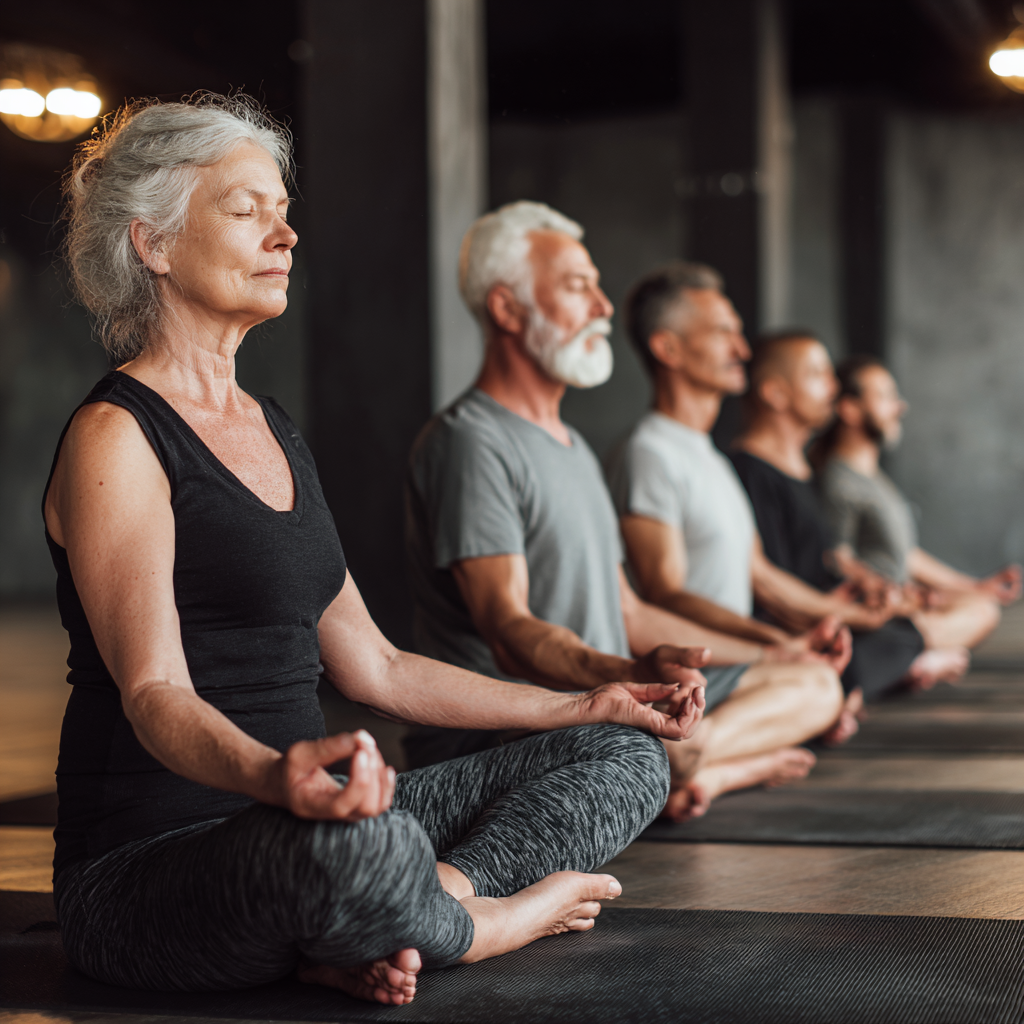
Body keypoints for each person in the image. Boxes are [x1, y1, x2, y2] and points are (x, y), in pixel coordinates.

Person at [45, 94, 709, 1007]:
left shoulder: (271, 428)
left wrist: (579, 703)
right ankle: (482, 925)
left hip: (315, 823)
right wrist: (277, 777)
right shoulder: (117, 437)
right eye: (245, 212)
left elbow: (380, 667)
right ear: (152, 244)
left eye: (283, 212)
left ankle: (404, 912)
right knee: (363, 844)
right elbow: (155, 692)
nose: (282, 235)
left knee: (621, 756)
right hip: (153, 866)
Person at [405, 203, 847, 822]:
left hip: (606, 698)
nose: (604, 307)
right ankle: (696, 767)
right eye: (578, 287)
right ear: (506, 309)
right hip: (509, 733)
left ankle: (697, 763)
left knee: (813, 684)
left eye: (598, 287)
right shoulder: (470, 441)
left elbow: (630, 609)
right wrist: (626, 678)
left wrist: (772, 653)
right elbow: (508, 630)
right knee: (653, 745)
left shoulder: (574, 446)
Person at [607, 264, 923, 736]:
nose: (742, 349)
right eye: (722, 334)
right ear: (666, 348)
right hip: (694, 673)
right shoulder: (649, 452)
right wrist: (773, 643)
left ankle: (720, 764)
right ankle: (688, 758)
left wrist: (832, 622)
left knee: (836, 674)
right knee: (821, 687)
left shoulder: (708, 454)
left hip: (742, 656)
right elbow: (664, 594)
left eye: (738, 333)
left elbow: (761, 574)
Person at [731, 331, 973, 693]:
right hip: (802, 632)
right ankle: (888, 670)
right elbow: (769, 589)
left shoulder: (806, 470)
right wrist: (850, 615)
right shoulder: (750, 472)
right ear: (775, 393)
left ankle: (889, 667)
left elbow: (825, 559)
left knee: (940, 620)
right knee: (902, 639)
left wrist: (871, 588)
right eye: (818, 375)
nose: (833, 388)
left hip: (830, 619)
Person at [815, 354, 1019, 656]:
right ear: (849, 409)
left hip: (904, 606)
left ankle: (919, 656)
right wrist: (892, 597)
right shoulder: (839, 482)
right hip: (876, 620)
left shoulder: (873, 479)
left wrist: (975, 586)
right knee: (982, 613)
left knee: (981, 605)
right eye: (885, 396)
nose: (900, 407)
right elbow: (835, 560)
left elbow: (905, 554)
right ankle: (910, 659)